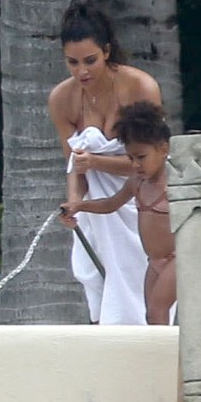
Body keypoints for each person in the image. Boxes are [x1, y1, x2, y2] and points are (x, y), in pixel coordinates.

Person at [49, 0, 163, 325]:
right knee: (98, 277)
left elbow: (154, 161)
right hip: (96, 204)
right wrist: (74, 202)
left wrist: (97, 163)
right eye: (72, 63)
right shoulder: (62, 99)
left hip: (140, 195)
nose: (82, 71)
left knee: (144, 280)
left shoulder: (140, 87)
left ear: (107, 51)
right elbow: (74, 164)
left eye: (90, 61)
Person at [61, 102, 176, 325]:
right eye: (131, 158)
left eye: (141, 157)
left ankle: (167, 349)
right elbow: (111, 204)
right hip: (154, 261)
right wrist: (79, 206)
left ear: (163, 150)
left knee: (158, 309)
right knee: (150, 316)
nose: (136, 165)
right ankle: (160, 348)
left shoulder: (176, 185)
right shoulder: (137, 183)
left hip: (175, 258)